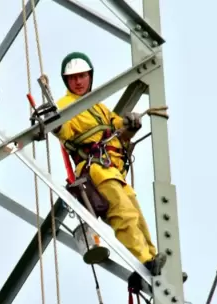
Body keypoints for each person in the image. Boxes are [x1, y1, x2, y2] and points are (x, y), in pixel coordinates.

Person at [53, 52, 166, 275]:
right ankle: (144, 259)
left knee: (135, 212)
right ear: (67, 81)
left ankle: (153, 259)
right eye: (73, 78)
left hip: (112, 170)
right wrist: (55, 125)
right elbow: (64, 131)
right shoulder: (65, 105)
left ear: (89, 77)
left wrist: (130, 123)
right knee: (123, 213)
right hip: (95, 170)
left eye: (82, 76)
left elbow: (118, 127)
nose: (78, 81)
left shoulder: (98, 106)